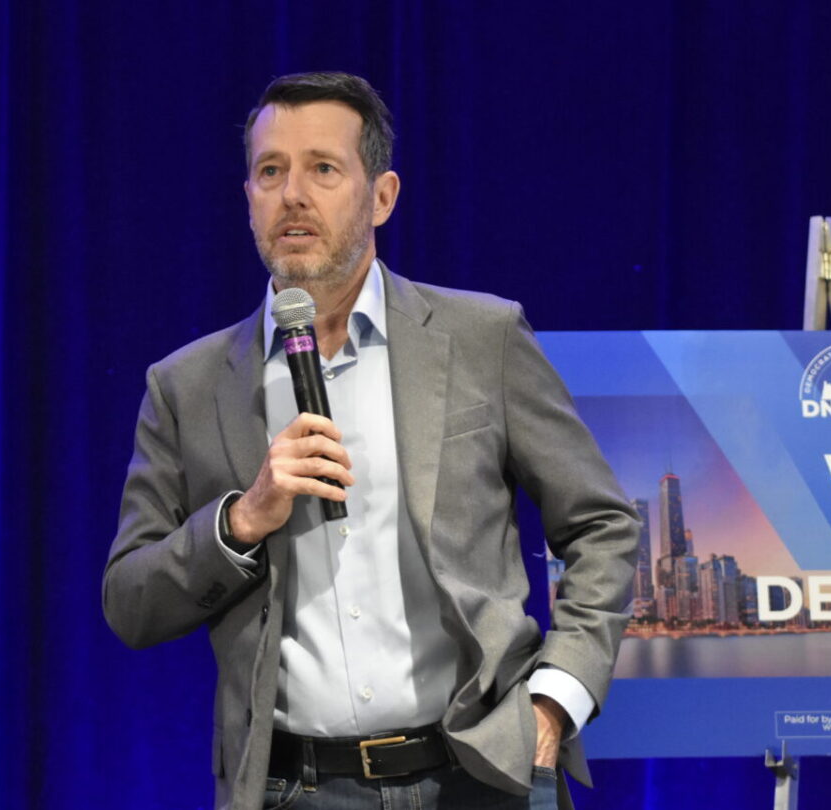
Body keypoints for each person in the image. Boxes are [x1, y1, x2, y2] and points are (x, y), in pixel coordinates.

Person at [102, 71, 638, 810]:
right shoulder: (187, 386)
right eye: (270, 172)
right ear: (248, 201)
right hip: (295, 788)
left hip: (478, 775)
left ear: (382, 195)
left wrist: (556, 702)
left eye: (322, 168)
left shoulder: (483, 338)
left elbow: (602, 523)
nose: (292, 195)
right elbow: (130, 600)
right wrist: (240, 521)